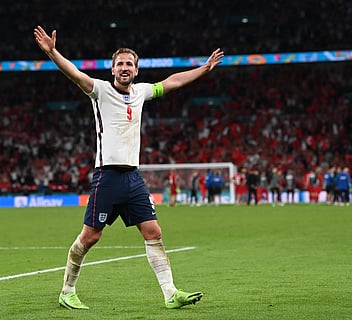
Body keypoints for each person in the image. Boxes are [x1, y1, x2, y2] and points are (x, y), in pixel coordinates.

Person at [34, 25, 224, 310]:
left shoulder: (142, 92)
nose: (124, 68)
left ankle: (170, 293)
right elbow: (74, 73)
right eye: (120, 64)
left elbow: (172, 82)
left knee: (153, 232)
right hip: (107, 176)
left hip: (133, 178)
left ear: (136, 70)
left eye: (129, 64)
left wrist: (203, 69)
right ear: (112, 70)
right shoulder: (99, 90)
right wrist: (52, 52)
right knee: (91, 237)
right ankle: (67, 290)